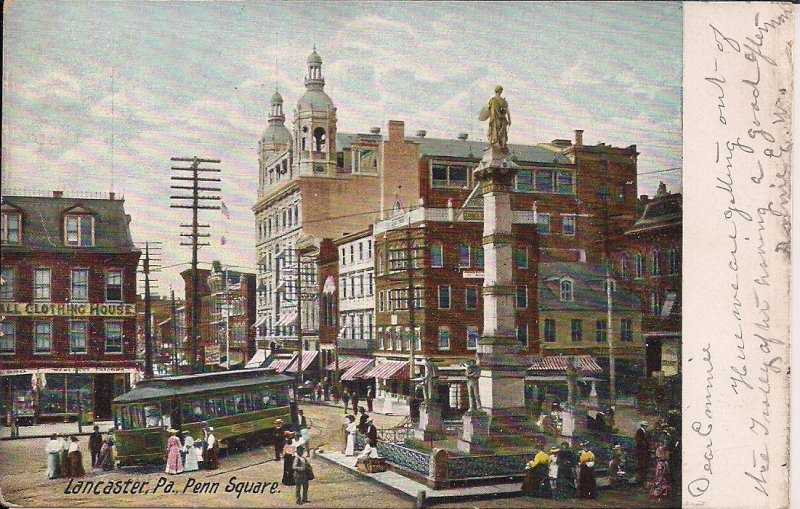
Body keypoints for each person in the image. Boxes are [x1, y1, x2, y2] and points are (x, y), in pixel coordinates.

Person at [635, 421, 650, 485]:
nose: (646, 427)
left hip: (644, 451)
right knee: (641, 465)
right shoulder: (640, 431)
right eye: (646, 425)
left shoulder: (644, 431)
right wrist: (644, 444)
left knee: (644, 465)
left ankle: (642, 479)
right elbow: (638, 439)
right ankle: (640, 480)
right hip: (641, 451)